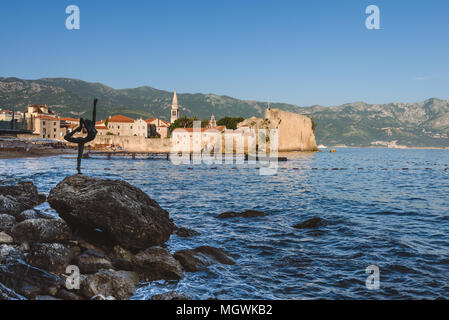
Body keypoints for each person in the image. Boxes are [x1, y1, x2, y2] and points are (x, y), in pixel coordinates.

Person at [64, 99, 98, 174]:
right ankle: (77, 129)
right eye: (88, 121)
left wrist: (94, 105)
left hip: (83, 140)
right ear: (88, 124)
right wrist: (81, 123)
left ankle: (78, 167)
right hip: (82, 140)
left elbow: (94, 114)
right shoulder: (89, 128)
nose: (90, 120)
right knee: (66, 137)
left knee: (80, 155)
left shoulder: (92, 125)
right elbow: (85, 122)